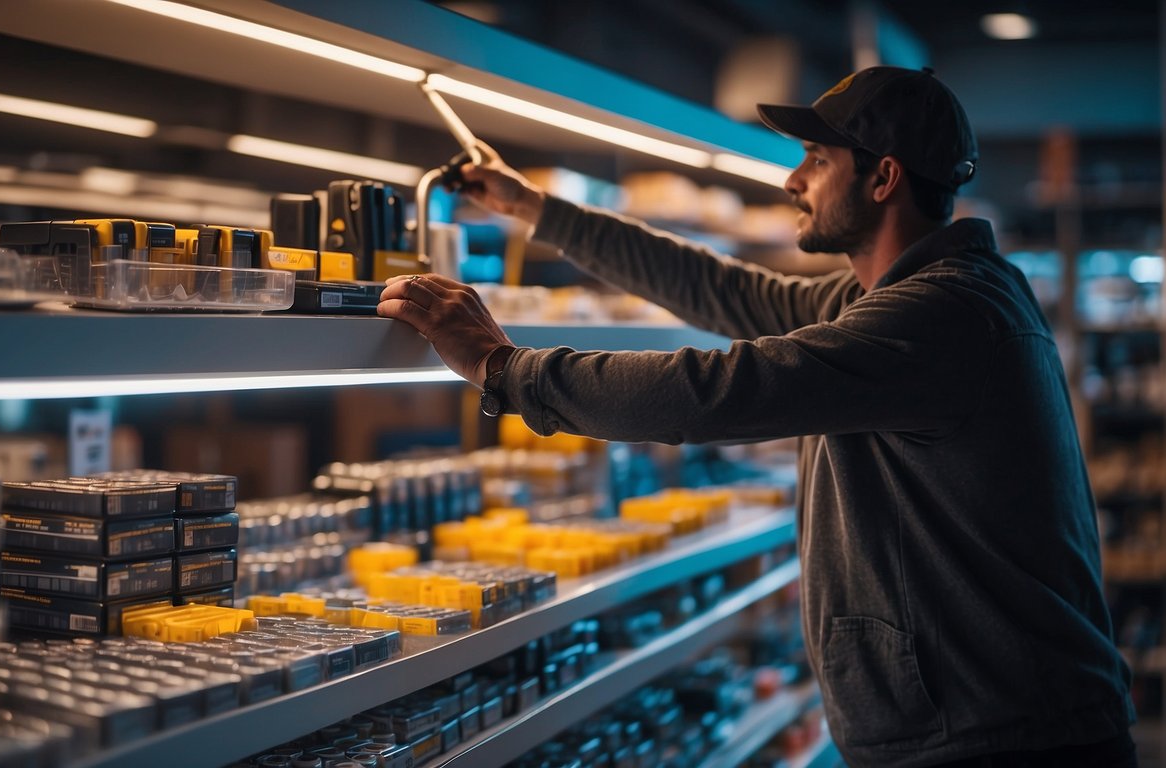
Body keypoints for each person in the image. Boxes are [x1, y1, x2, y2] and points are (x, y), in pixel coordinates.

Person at [377, 66, 1136, 766]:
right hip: (974, 725)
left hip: (1003, 742)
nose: (791, 179)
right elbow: (717, 289)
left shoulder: (944, 314)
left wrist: (504, 369)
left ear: (884, 178)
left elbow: (718, 391)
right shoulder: (890, 298)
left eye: (815, 159)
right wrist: (534, 210)